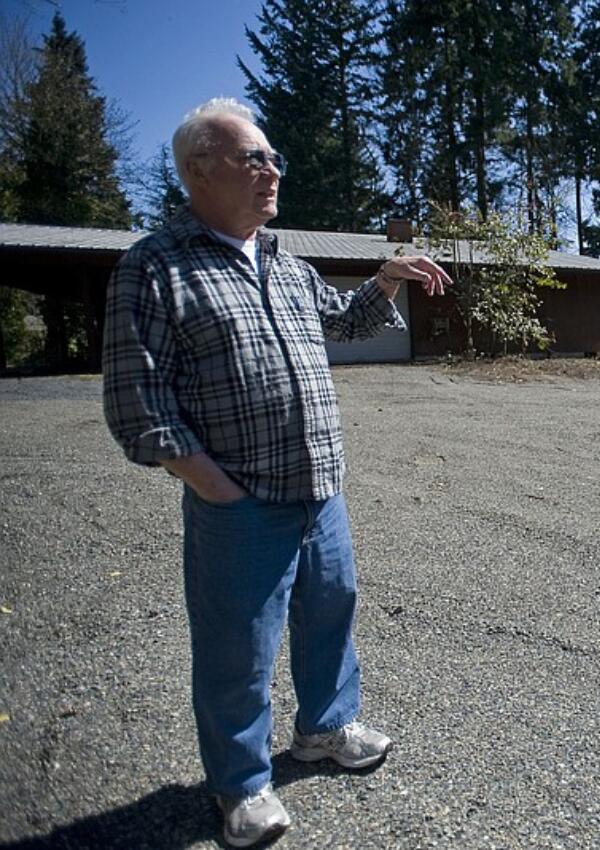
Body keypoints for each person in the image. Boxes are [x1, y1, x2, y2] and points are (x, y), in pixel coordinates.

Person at [102, 97, 451, 848]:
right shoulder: (155, 265)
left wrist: (385, 278)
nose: (271, 172)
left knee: (330, 616)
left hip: (320, 490)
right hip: (240, 501)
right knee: (238, 648)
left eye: (273, 159)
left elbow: (346, 322)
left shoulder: (288, 264)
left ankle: (323, 730)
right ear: (199, 171)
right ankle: (241, 785)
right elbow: (137, 396)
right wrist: (209, 484)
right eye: (253, 158)